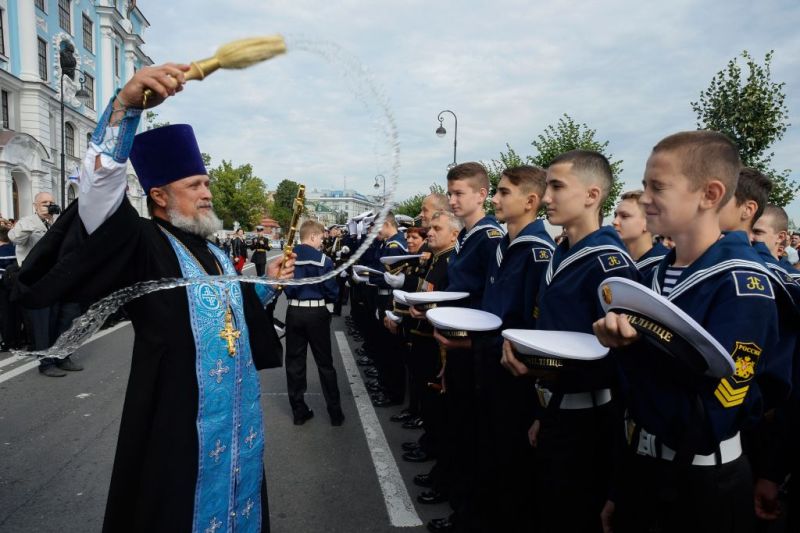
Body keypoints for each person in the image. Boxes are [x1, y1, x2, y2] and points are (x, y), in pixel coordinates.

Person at [16, 64, 293, 532]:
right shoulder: (141, 242)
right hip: (177, 418)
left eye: (205, 183)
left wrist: (264, 283)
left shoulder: (215, 252)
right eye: (195, 186)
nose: (207, 193)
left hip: (239, 420)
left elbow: (233, 317)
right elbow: (98, 194)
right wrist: (124, 109)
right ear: (160, 196)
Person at [593, 131, 792, 533]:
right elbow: (632, 404)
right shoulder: (655, 274)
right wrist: (621, 487)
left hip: (700, 486)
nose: (644, 197)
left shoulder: (742, 283)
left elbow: (709, 420)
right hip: (641, 468)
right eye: (645, 185)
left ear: (710, 194)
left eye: (658, 187)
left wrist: (632, 351)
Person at [500, 150, 639, 533]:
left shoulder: (610, 264)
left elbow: (622, 362)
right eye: (547, 187)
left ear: (592, 195)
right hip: (554, 408)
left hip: (588, 422)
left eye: (557, 187)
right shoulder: (561, 252)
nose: (546, 198)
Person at [435, 165, 556, 532]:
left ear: (530, 201)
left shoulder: (535, 250)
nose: (496, 199)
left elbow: (530, 324)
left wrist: (475, 341)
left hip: (512, 373)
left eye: (503, 193)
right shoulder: (505, 244)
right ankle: (469, 515)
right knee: (486, 454)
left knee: (508, 468)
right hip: (486, 363)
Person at [9, 191, 83, 376]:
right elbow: (14, 237)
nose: (48, 206)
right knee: (42, 324)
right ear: (35, 205)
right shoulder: (28, 222)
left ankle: (62, 356)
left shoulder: (56, 224)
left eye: (51, 202)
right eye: (44, 203)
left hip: (55, 279)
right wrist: (32, 223)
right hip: (35, 282)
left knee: (64, 319)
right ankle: (46, 363)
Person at [282, 220, 343, 426]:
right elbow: (331, 289)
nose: (322, 242)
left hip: (294, 310)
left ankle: (299, 411)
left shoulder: (288, 257)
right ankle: (335, 414)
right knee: (325, 363)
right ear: (313, 236)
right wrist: (331, 303)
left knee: (295, 363)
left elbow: (283, 284)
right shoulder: (323, 259)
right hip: (317, 311)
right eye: (321, 238)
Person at [612, 190, 668, 276]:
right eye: (616, 215)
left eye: (624, 216)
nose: (615, 221)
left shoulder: (667, 266)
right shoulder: (614, 262)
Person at [0, 228, 20, 351]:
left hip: (2, 286)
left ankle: (8, 342)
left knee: (4, 315)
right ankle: (17, 341)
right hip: (15, 286)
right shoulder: (16, 250)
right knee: (15, 314)